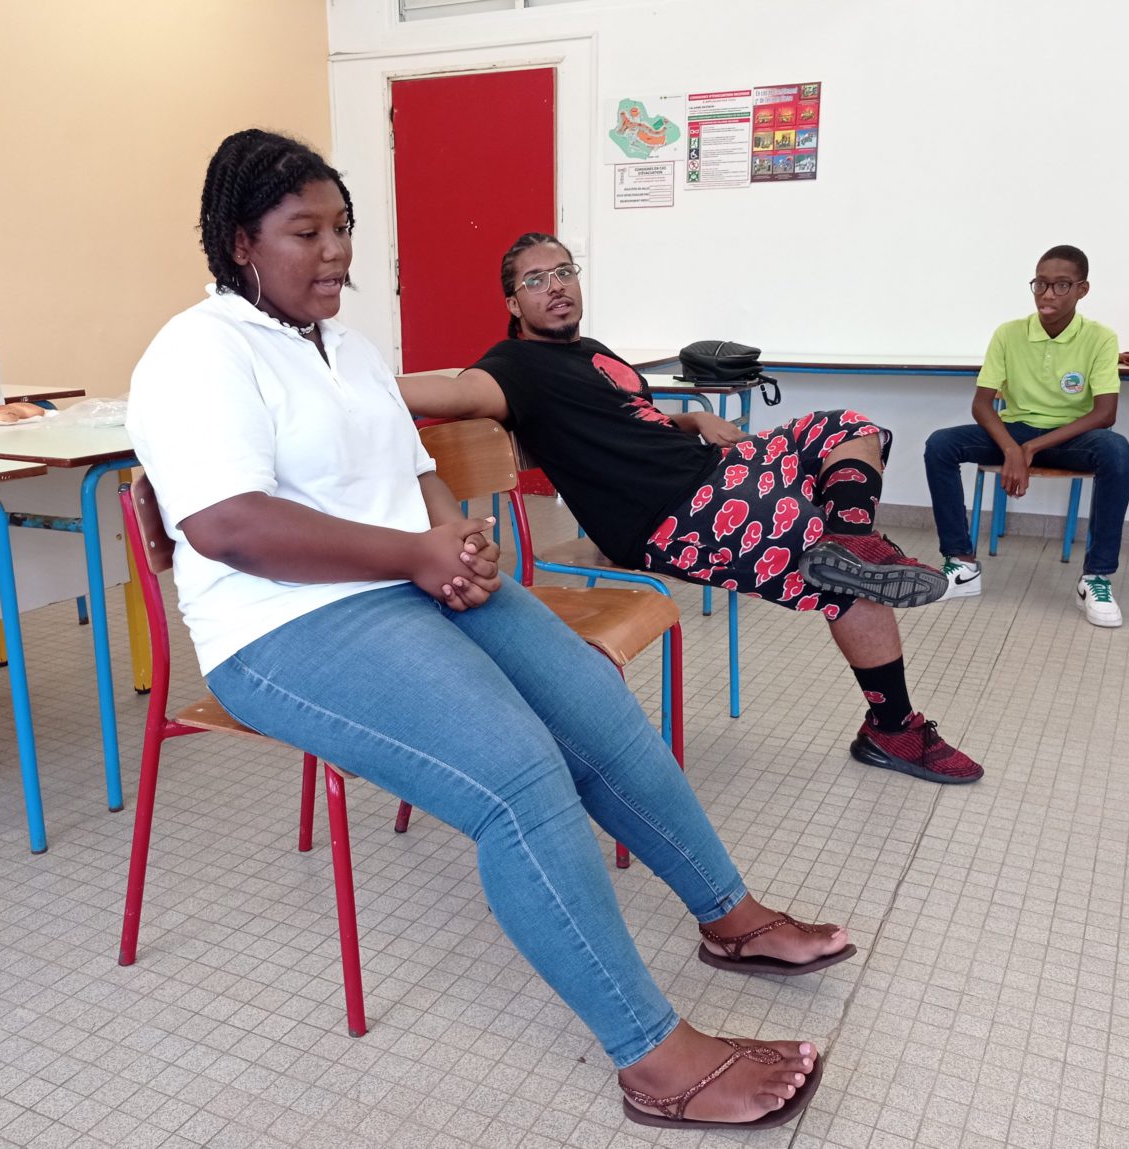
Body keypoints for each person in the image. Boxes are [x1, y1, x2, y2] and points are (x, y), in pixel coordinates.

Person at [127, 129, 858, 1132]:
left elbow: (414, 471)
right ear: (240, 241)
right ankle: (654, 1057)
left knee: (596, 705)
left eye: (343, 226)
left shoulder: (348, 346)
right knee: (519, 777)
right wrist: (414, 556)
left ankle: (730, 917)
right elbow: (226, 526)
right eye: (306, 232)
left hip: (408, 581)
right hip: (283, 626)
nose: (336, 251)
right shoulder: (198, 351)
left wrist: (456, 542)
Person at [398, 233, 983, 786]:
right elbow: (454, 393)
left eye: (563, 271)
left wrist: (692, 419)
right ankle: (891, 728)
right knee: (836, 569)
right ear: (513, 303)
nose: (555, 286)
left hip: (710, 469)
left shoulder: (592, 353)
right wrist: (353, 377)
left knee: (850, 429)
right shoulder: (512, 366)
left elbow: (634, 422)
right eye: (535, 280)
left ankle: (850, 540)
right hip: (665, 514)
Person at [922, 245, 1129, 627]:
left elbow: (1105, 414)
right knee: (940, 444)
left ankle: (1096, 578)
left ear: (1082, 289)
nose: (1047, 294)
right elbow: (982, 404)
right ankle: (961, 564)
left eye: (1061, 285)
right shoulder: (1009, 333)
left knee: (1116, 451)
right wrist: (1011, 448)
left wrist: (1029, 449)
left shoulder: (1101, 337)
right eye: (1040, 284)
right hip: (1016, 429)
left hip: (1068, 437)